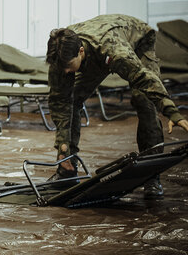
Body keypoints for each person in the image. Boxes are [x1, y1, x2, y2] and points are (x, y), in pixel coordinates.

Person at [46, 14, 188, 198]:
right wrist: (63, 149)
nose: (65, 71)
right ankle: (67, 169)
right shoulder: (61, 57)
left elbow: (144, 78)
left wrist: (172, 112)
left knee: (144, 100)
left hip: (138, 41)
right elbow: (60, 102)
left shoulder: (113, 50)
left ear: (80, 51)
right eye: (62, 67)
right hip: (95, 53)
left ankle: (151, 176)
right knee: (71, 100)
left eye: (68, 66)